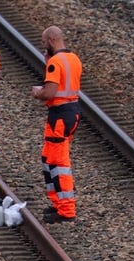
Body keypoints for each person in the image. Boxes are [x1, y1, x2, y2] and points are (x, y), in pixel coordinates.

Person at [31, 25, 82, 223]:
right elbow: (66, 83)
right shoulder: (73, 59)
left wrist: (38, 93)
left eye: (44, 42)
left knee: (59, 162)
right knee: (49, 158)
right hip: (71, 112)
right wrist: (48, 62)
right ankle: (58, 204)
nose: (44, 46)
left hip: (59, 115)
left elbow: (50, 92)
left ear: (52, 40)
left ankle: (66, 210)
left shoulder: (55, 63)